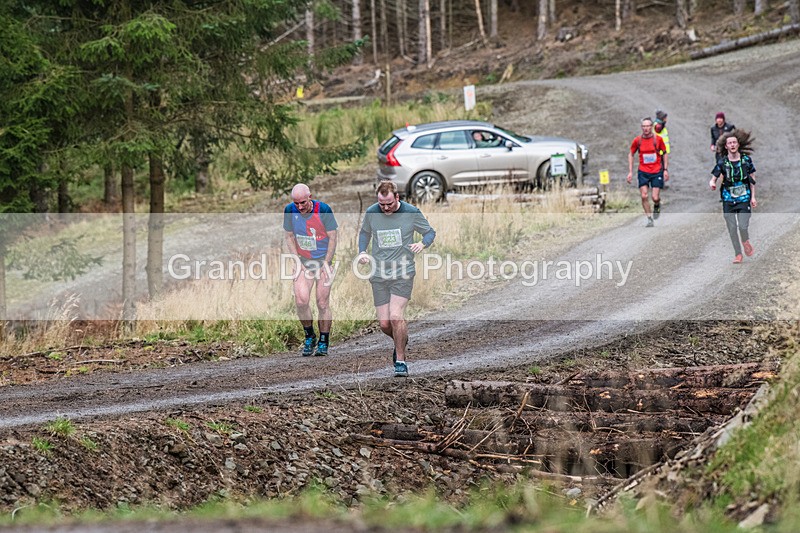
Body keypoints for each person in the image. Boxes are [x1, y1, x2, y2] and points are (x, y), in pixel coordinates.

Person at [357, 180, 436, 377]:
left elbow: (430, 232)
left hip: (403, 272)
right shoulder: (372, 212)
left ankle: (400, 361)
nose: (385, 208)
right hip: (379, 273)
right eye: (382, 204)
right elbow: (365, 233)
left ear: (397, 198)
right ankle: (401, 338)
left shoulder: (411, 212)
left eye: (389, 204)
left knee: (395, 316)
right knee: (385, 324)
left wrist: (422, 244)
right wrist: (362, 252)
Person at [283, 183, 338, 356]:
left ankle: (324, 340)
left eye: (303, 203)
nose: (299, 207)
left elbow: (333, 238)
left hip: (323, 260)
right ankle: (309, 336)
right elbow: (289, 236)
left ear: (310, 197)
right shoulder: (289, 210)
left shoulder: (324, 209)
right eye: (296, 203)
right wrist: (296, 261)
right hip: (304, 261)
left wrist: (326, 263)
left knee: (322, 302)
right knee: (301, 301)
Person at [709, 130, 757, 264]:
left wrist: (753, 197)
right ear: (726, 146)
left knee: (742, 226)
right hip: (728, 199)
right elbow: (713, 178)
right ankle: (738, 254)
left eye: (734, 142)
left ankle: (745, 240)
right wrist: (712, 183)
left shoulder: (746, 160)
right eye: (729, 143)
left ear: (738, 144)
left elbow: (752, 179)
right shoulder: (723, 163)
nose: (732, 145)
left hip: (744, 198)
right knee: (731, 228)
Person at [626, 117, 669, 227]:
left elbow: (664, 153)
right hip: (643, 171)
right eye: (644, 126)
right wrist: (630, 171)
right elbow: (631, 154)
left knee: (655, 197)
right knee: (644, 196)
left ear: (651, 127)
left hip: (656, 171)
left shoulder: (658, 139)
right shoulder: (637, 140)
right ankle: (649, 218)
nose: (646, 128)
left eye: (648, 126)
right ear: (641, 127)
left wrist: (665, 170)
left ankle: (657, 204)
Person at [654, 109, 671, 189]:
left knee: (662, 168)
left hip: (662, 151)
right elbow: (658, 129)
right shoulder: (658, 126)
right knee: (659, 169)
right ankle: (659, 184)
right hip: (659, 152)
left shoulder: (659, 125)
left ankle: (660, 183)